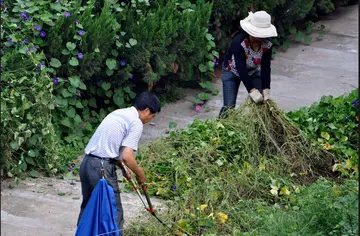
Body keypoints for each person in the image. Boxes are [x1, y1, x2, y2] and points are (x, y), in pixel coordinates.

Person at [77, 91, 161, 233]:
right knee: (113, 212)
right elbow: (127, 156)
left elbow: (113, 147)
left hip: (86, 164)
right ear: (146, 110)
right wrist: (140, 174)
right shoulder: (136, 122)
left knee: (88, 208)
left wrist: (121, 167)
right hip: (101, 169)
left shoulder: (119, 113)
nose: (149, 120)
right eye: (151, 116)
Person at [219, 10, 278, 118]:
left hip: (253, 71)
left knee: (261, 102)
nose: (262, 37)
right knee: (229, 107)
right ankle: (219, 129)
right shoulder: (239, 42)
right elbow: (241, 69)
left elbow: (265, 67)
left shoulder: (267, 44)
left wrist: (266, 88)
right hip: (232, 71)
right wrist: (252, 90)